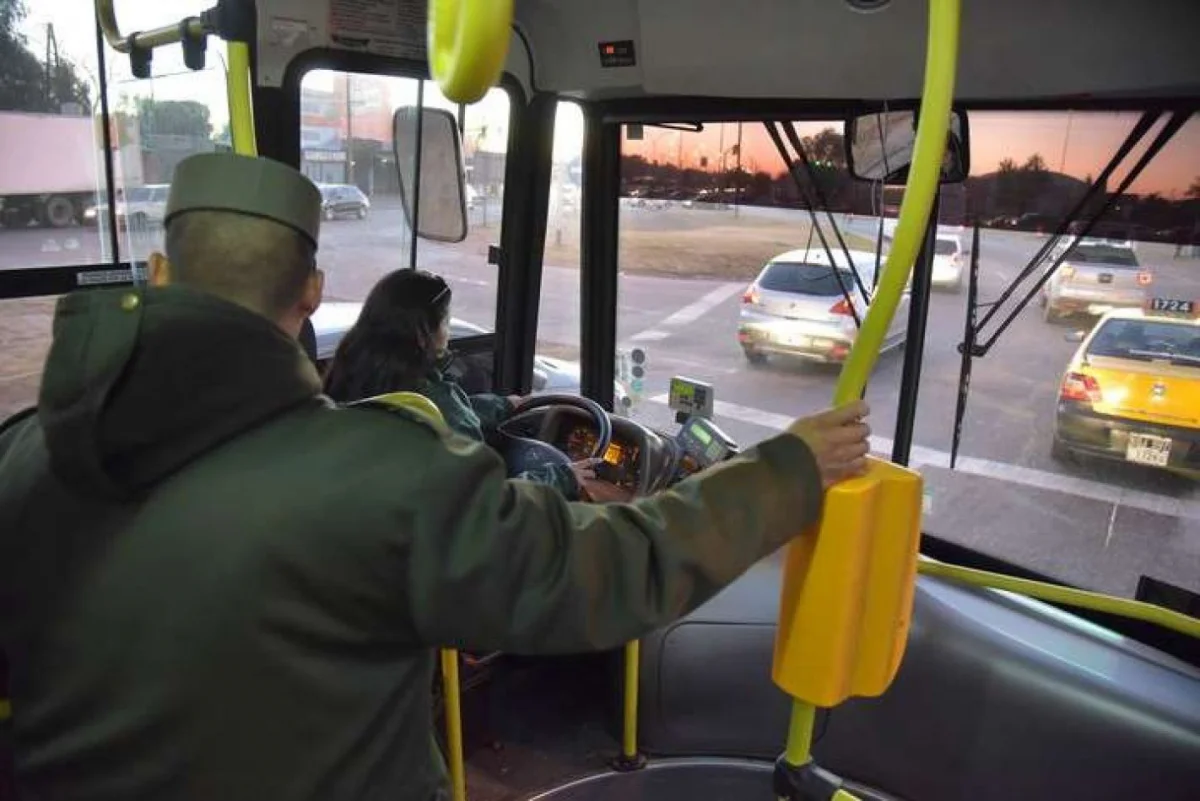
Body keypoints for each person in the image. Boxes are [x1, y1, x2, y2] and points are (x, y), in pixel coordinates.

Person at [0, 153, 871, 801]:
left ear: (157, 275)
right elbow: (616, 568)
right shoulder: (386, 476)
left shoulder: (21, 457)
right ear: (312, 290)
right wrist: (792, 466)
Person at [322, 268, 600, 501]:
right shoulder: (433, 397)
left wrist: (503, 405)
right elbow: (485, 503)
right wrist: (563, 477)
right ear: (422, 335)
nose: (448, 332)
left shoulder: (351, 376)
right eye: (445, 322)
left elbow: (437, 415)